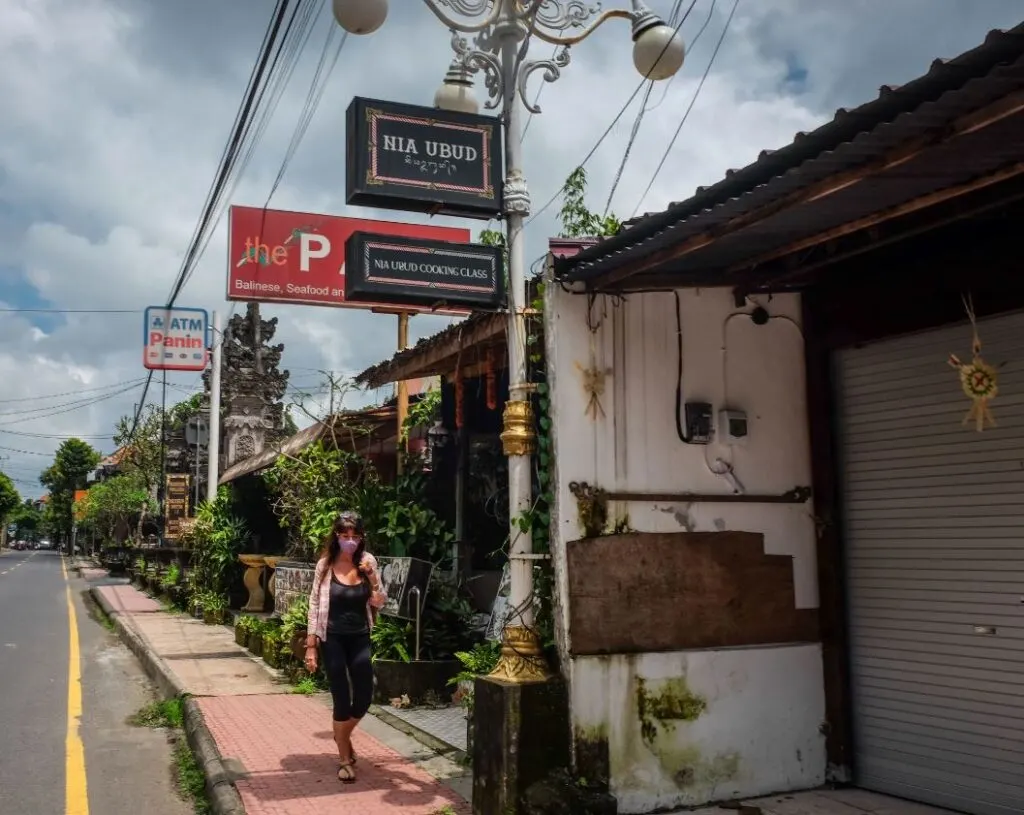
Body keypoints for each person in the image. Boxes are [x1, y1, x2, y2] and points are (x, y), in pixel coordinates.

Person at [304, 511, 387, 783]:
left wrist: (372, 578)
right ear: (336, 536)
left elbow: (379, 602)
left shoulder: (367, 562)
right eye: (344, 535)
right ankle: (343, 758)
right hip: (333, 638)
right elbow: (314, 604)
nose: (350, 541)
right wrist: (311, 645)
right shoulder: (325, 565)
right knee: (340, 696)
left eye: (355, 536)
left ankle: (343, 735)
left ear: (361, 538)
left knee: (364, 695)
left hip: (360, 635)